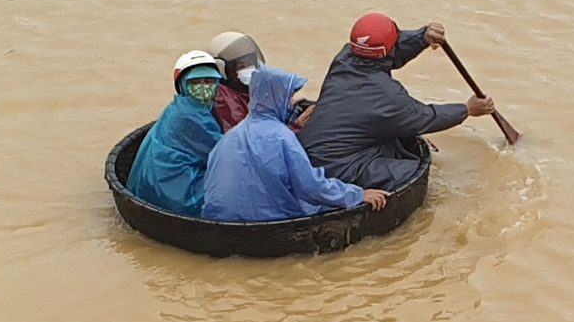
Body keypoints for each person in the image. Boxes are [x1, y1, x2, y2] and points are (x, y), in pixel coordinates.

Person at [298, 13, 495, 191]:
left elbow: (389, 52)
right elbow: (425, 117)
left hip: (306, 154)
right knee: (410, 169)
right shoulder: (388, 96)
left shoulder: (344, 58)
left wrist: (423, 37)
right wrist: (467, 109)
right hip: (334, 168)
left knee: (392, 143)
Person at [202, 65, 391, 222]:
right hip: (261, 220)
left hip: (218, 218)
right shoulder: (283, 137)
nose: (290, 101)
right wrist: (358, 195)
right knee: (320, 204)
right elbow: (311, 188)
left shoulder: (230, 136)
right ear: (275, 97)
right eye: (287, 95)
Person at [125, 51, 227, 217]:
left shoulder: (179, 108)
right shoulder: (193, 117)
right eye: (195, 83)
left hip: (152, 187)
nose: (203, 88)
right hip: (175, 198)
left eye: (209, 81)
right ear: (183, 86)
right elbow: (226, 155)